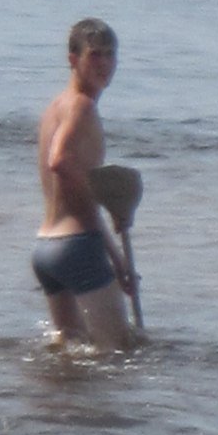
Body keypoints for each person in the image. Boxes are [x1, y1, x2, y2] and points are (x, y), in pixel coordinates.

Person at [33, 18, 135, 350]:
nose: (104, 64)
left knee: (70, 359)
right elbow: (58, 159)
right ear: (72, 59)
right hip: (77, 246)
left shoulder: (54, 108)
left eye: (110, 54)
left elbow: (76, 199)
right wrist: (109, 200)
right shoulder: (81, 106)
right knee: (119, 352)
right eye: (94, 55)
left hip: (47, 247)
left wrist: (117, 260)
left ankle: (59, 405)